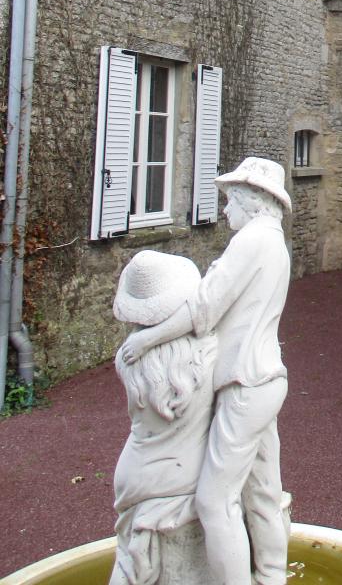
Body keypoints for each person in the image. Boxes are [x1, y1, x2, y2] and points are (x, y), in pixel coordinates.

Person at [122, 157, 292, 585]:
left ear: (251, 200)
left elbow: (204, 307)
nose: (224, 210)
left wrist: (147, 338)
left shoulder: (252, 240)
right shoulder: (274, 240)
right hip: (266, 378)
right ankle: (271, 576)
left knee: (215, 501)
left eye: (229, 200)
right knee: (263, 492)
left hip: (244, 384)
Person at [111, 251, 217, 585]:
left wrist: (147, 338)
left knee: (130, 563)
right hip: (185, 474)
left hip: (135, 472)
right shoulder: (212, 352)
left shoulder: (126, 359)